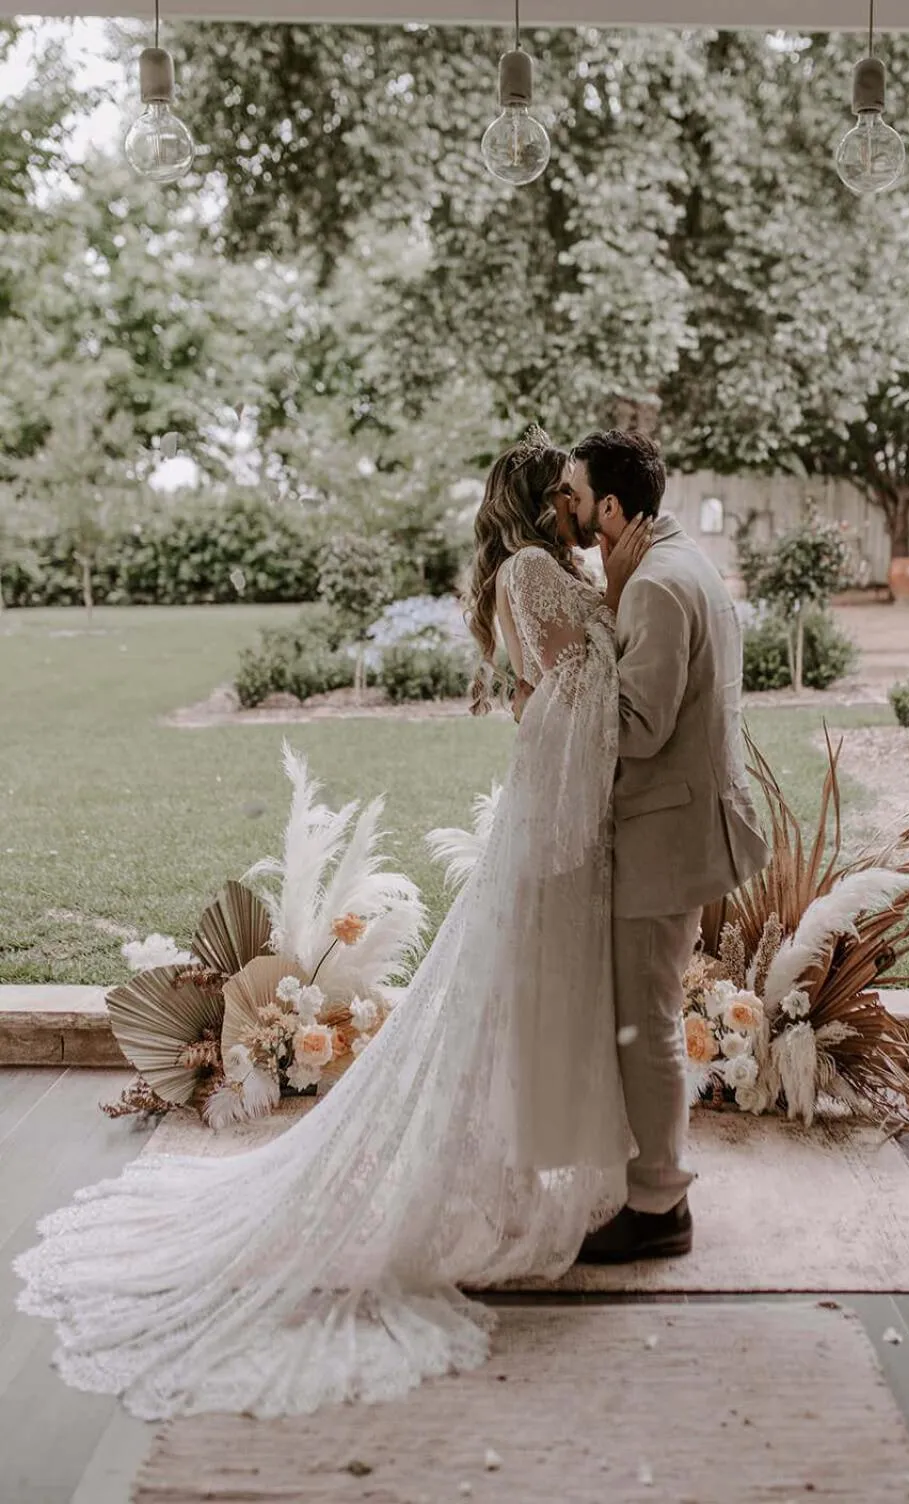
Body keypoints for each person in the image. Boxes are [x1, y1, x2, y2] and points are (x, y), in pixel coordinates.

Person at [12, 428, 652, 1422]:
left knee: (526, 985)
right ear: (539, 500)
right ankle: (505, 1170)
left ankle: (533, 1156)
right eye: (565, 489)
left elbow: (547, 686)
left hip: (562, 802)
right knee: (512, 984)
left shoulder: (539, 567)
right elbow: (571, 684)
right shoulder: (532, 567)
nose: (578, 500)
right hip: (555, 808)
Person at [567, 429, 770, 1264]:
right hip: (684, 821)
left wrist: (563, 689)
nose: (567, 511)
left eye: (574, 497)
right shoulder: (685, 561)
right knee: (643, 1017)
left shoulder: (650, 584)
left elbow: (639, 729)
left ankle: (657, 1206)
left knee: (643, 1024)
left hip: (663, 832)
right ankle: (647, 1183)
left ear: (611, 509)